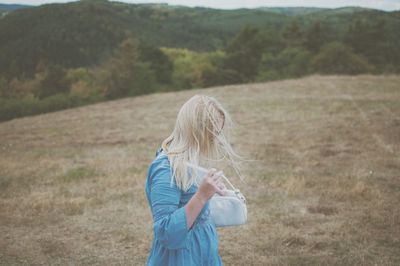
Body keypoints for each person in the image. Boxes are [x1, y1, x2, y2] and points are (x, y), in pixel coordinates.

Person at [145, 94, 244, 265]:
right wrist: (201, 196)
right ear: (195, 131)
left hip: (201, 253)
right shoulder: (165, 170)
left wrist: (210, 191)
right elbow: (166, 232)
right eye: (212, 134)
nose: (217, 140)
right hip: (180, 259)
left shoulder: (188, 161)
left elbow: (187, 203)